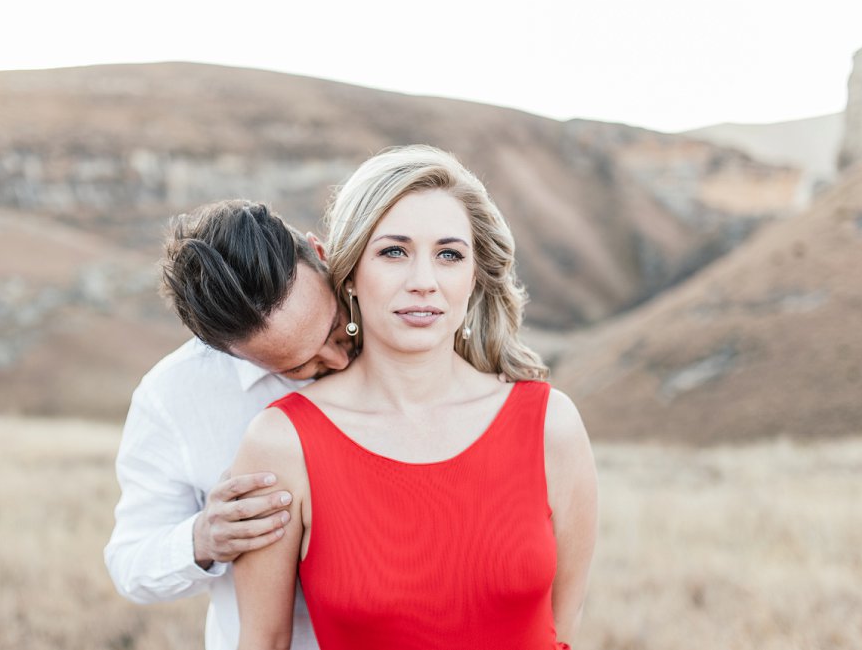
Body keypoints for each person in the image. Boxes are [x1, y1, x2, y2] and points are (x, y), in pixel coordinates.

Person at [232, 145, 598, 649]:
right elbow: (264, 642)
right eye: (393, 252)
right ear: (351, 272)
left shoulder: (549, 425)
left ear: (474, 277)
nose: (424, 282)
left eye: (449, 255)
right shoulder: (282, 442)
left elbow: (565, 621)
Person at [104, 200, 355, 650]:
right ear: (225, 351)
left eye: (337, 328)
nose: (338, 360)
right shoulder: (171, 396)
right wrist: (202, 538)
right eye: (298, 365)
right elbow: (129, 567)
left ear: (320, 254)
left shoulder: (394, 325)